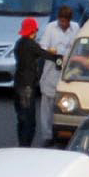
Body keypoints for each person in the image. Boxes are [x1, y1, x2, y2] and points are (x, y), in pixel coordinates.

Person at [13, 17, 59, 147]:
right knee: (29, 121)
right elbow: (45, 55)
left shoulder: (19, 43)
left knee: (21, 119)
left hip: (18, 85)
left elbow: (38, 51)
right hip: (28, 87)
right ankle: (25, 147)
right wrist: (59, 59)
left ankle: (21, 144)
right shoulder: (31, 45)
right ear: (33, 31)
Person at [38, 7, 79, 144]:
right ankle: (47, 136)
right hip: (51, 71)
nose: (62, 24)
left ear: (69, 21)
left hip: (68, 73)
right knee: (47, 107)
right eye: (60, 21)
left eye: (65, 22)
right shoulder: (50, 28)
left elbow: (78, 49)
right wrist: (53, 53)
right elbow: (42, 47)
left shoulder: (75, 28)